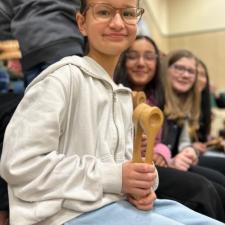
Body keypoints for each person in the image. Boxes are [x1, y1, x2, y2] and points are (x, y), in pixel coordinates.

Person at [1, 0, 224, 225]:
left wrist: (143, 185)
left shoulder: (123, 95)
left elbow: (123, 166)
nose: (118, 23)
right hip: (66, 215)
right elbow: (20, 165)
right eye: (104, 12)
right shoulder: (60, 79)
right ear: (81, 23)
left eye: (127, 13)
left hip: (114, 204)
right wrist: (116, 178)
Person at [114, 35, 225, 222]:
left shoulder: (156, 95)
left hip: (158, 162)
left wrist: (170, 152)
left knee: (218, 185)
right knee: (203, 189)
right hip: (131, 167)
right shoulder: (117, 93)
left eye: (149, 57)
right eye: (133, 56)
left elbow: (164, 140)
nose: (141, 63)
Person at [160, 49, 225, 214]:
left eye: (190, 71)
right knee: (207, 189)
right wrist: (173, 157)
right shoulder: (158, 98)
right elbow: (156, 146)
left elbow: (183, 143)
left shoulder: (185, 102)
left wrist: (189, 151)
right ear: (165, 69)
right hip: (160, 164)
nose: (185, 75)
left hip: (177, 161)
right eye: (179, 68)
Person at [0, 0, 84, 87]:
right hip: (68, 42)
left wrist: (13, 55)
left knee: (40, 98)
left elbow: (2, 14)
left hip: (31, 48)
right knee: (73, 96)